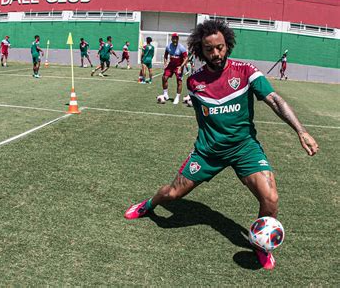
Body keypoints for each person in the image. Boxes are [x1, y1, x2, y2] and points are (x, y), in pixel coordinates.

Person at [124, 20, 319, 270]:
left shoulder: (246, 72)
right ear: (200, 50)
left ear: (228, 45)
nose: (216, 54)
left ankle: (261, 245)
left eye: (221, 47)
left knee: (270, 197)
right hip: (208, 153)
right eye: (209, 49)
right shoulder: (195, 83)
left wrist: (301, 132)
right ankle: (148, 205)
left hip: (244, 149)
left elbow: (274, 100)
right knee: (171, 194)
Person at [161, 33, 189, 105]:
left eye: (176, 38)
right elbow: (165, 55)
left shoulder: (181, 47)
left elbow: (186, 58)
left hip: (178, 66)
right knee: (164, 78)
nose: (175, 40)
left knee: (179, 82)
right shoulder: (168, 46)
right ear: (171, 39)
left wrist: (181, 66)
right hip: (170, 65)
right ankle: (165, 94)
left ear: (178, 39)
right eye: (173, 38)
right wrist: (165, 62)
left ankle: (177, 97)